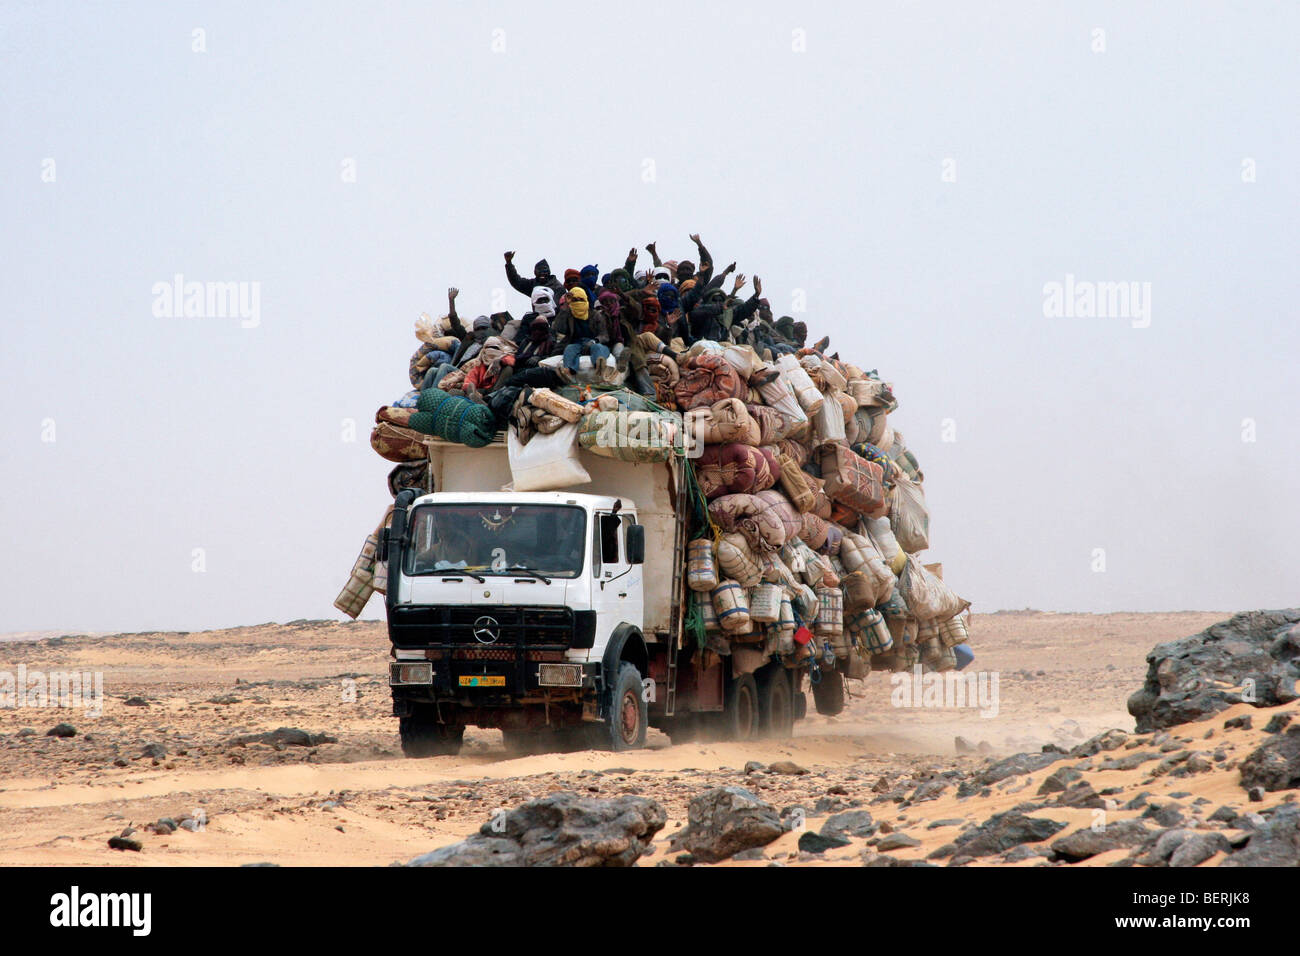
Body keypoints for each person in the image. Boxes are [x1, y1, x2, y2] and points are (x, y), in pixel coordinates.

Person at [553, 287, 611, 376]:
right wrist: (565, 306)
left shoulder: (595, 315)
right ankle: (568, 371)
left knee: (598, 348)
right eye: (575, 300)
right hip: (577, 343)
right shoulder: (569, 314)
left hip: (593, 342)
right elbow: (560, 328)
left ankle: (599, 366)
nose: (578, 302)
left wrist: (594, 341)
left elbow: (604, 335)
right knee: (569, 349)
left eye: (581, 299)